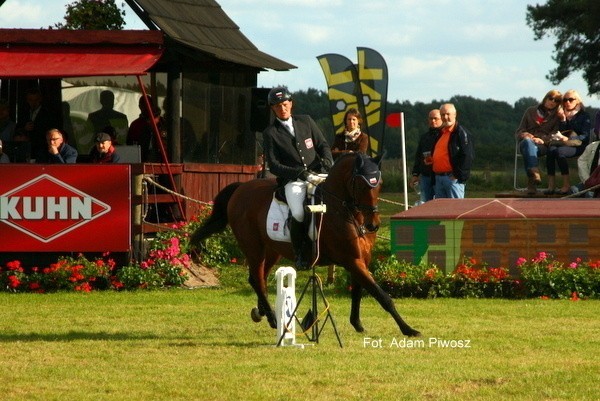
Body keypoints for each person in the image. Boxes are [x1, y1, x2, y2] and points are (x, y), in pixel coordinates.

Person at [262, 86, 333, 269]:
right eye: (277, 106)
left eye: (285, 104)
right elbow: (274, 165)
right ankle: (300, 253)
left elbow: (323, 144)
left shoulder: (306, 121)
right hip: (294, 181)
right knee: (299, 212)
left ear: (291, 104)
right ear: (273, 109)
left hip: (318, 174)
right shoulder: (270, 133)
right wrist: (297, 173)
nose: (282, 109)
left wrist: (327, 160)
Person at [515, 89, 562, 194]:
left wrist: (542, 139)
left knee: (530, 150)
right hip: (525, 143)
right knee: (528, 143)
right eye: (551, 98)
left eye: (556, 101)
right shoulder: (530, 111)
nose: (552, 102)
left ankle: (531, 183)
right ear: (546, 98)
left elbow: (555, 135)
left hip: (542, 146)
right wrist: (529, 136)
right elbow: (519, 131)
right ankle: (535, 170)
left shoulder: (556, 117)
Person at [545, 89, 591, 195]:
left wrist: (569, 139)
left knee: (559, 151)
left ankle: (566, 184)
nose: (567, 102)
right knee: (551, 149)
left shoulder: (584, 116)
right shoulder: (562, 115)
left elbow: (585, 136)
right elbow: (562, 132)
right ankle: (551, 185)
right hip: (565, 144)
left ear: (577, 101)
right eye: (565, 100)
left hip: (579, 145)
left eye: (571, 99)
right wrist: (563, 120)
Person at [431, 103, 474, 199]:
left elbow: (467, 156)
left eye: (448, 114)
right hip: (439, 178)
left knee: (454, 210)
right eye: (442, 115)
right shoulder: (441, 133)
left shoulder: (461, 133)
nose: (445, 117)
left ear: (455, 114)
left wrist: (458, 175)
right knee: (441, 211)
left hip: (452, 179)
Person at [16, 87, 59, 161]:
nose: (33, 103)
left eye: (36, 100)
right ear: (27, 100)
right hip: (26, 149)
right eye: (30, 100)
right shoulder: (24, 112)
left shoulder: (48, 113)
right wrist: (25, 128)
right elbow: (17, 129)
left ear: (40, 99)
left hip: (42, 149)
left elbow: (52, 130)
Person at [410, 109, 442, 203]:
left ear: (441, 119)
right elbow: (418, 156)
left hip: (440, 176)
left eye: (436, 118)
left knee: (441, 203)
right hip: (426, 176)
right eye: (431, 119)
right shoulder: (424, 137)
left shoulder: (445, 136)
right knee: (425, 203)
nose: (433, 121)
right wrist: (415, 174)